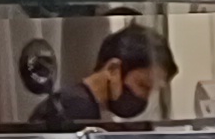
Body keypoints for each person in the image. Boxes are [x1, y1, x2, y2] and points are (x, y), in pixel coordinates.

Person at [31, 23, 166, 128]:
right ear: (113, 69)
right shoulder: (78, 109)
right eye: (143, 85)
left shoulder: (74, 101)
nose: (144, 96)